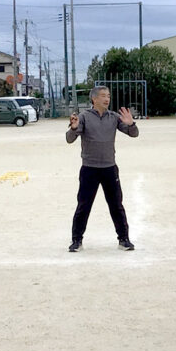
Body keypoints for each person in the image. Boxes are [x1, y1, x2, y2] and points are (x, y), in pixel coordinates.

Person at [66, 86, 139, 252]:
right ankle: (76, 241)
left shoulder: (113, 117)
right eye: (103, 96)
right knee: (83, 205)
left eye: (108, 96)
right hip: (89, 169)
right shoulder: (83, 117)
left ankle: (124, 239)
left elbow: (134, 134)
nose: (107, 99)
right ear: (94, 99)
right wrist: (73, 127)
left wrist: (131, 123)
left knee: (116, 205)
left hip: (109, 168)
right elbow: (69, 139)